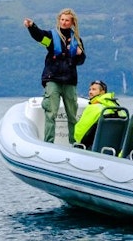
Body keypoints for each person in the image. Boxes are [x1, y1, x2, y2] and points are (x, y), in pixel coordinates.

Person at [24, 9, 86, 143]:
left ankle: (74, 143)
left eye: (67, 20)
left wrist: (78, 54)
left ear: (72, 22)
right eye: (62, 20)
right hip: (52, 79)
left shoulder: (77, 39)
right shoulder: (51, 38)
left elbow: (81, 61)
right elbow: (39, 36)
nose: (64, 22)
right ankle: (49, 143)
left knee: (72, 115)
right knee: (51, 112)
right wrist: (32, 27)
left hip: (69, 81)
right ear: (59, 20)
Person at [73, 80, 120, 147]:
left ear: (102, 92)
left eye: (94, 89)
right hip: (113, 148)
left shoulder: (94, 107)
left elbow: (79, 133)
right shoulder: (117, 108)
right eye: (90, 89)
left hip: (94, 148)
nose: (90, 92)